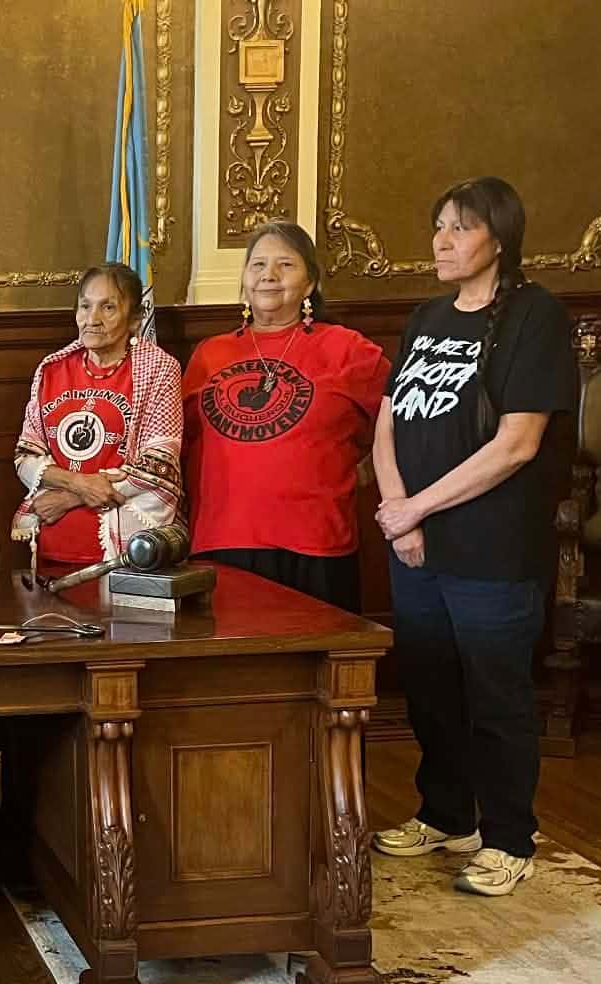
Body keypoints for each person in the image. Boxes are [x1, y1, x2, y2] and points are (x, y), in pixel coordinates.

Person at [370, 176, 578, 896]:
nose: (442, 240)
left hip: (493, 545)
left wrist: (417, 506)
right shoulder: (427, 315)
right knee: (429, 686)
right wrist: (398, 510)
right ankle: (446, 813)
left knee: (496, 694)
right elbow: (389, 420)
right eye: (438, 226)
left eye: (459, 227)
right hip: (416, 539)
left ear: (500, 237)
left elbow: (517, 444)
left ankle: (510, 836)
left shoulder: (535, 317)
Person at [181, 222, 390, 611]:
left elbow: (410, 420)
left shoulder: (346, 348)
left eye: (285, 265)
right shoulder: (210, 354)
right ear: (244, 279)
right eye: (257, 264)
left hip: (316, 541)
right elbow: (180, 440)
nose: (268, 276)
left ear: (310, 283)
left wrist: (367, 470)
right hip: (224, 538)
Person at [12, 263, 183, 575]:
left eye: (108, 307)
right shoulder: (51, 370)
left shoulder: (159, 369)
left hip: (129, 555)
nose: (92, 319)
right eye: (85, 306)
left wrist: (68, 497)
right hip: (53, 547)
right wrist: (78, 483)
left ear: (135, 318)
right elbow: (25, 457)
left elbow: (159, 465)